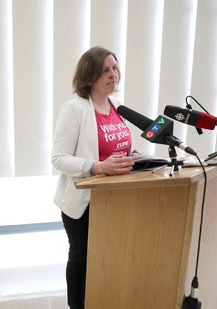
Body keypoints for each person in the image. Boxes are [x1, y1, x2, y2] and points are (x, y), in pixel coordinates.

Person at [51, 46, 139, 309]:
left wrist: (135, 155)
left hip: (117, 199)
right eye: (105, 70)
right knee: (82, 259)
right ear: (89, 77)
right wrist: (97, 167)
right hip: (85, 203)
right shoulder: (75, 109)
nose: (114, 74)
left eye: (114, 68)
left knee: (110, 259)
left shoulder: (117, 107)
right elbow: (58, 158)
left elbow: (115, 148)